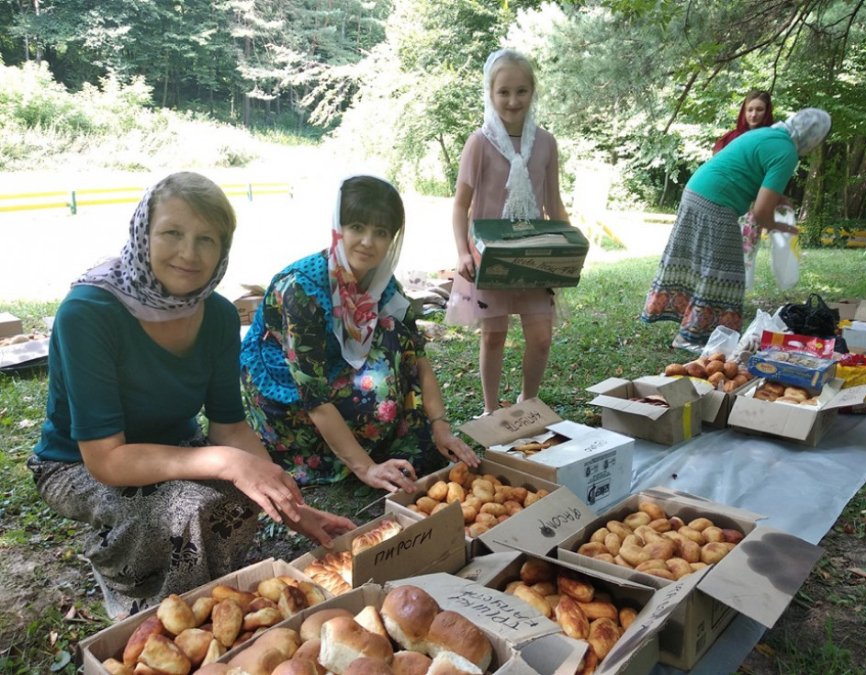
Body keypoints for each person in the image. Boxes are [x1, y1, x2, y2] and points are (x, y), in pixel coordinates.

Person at [28, 172, 355, 618]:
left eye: (206, 239)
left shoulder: (218, 315)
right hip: (75, 464)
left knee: (245, 494)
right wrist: (225, 462)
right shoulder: (89, 313)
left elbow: (229, 426)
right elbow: (106, 460)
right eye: (172, 233)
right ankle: (144, 600)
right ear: (143, 234)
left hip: (174, 446)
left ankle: (209, 602)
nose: (188, 253)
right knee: (188, 508)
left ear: (223, 249)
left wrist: (291, 506)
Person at [240, 176, 479, 495]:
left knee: (397, 339)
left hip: (336, 371)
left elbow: (418, 357)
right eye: (356, 227)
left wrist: (441, 426)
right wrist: (366, 468)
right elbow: (313, 395)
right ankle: (346, 453)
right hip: (288, 394)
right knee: (375, 393)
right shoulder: (301, 290)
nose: (368, 242)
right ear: (338, 228)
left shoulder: (383, 284)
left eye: (381, 232)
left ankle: (382, 437)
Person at [640, 108, 831, 350]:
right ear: (812, 136)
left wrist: (778, 200)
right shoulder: (786, 152)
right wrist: (778, 227)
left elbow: (748, 177)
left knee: (699, 265)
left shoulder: (767, 134)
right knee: (724, 272)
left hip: (697, 190)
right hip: (715, 202)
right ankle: (692, 336)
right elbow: (761, 212)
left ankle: (690, 327)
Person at [446, 49, 570, 415]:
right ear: (490, 93)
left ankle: (527, 403)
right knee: (494, 336)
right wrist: (462, 251)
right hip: (490, 257)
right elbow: (460, 205)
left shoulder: (545, 143)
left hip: (534, 254)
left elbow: (554, 202)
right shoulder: (479, 142)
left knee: (541, 337)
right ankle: (490, 410)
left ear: (533, 91)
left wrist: (569, 247)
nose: (513, 101)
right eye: (504, 92)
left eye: (521, 91)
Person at [712, 89, 774, 154]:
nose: (753, 115)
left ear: (767, 112)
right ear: (744, 112)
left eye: (759, 110)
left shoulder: (774, 137)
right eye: (750, 110)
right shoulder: (730, 139)